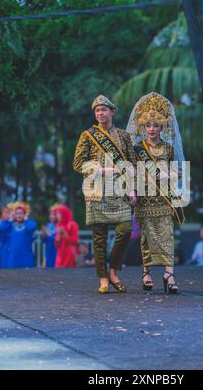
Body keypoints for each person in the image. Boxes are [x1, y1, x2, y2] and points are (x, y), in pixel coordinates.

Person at [73, 95, 137, 293]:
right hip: (97, 190)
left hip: (120, 190)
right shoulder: (88, 135)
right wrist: (100, 170)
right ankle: (103, 278)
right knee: (99, 238)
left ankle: (114, 271)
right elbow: (77, 164)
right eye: (97, 110)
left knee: (125, 229)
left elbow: (133, 165)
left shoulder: (124, 136)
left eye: (104, 110)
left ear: (112, 111)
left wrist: (133, 188)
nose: (100, 113)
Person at [126, 92, 186, 293]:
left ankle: (169, 274)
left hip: (164, 199)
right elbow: (131, 173)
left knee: (167, 235)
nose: (152, 129)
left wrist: (169, 176)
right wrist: (132, 191)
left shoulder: (168, 149)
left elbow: (178, 171)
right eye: (148, 125)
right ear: (143, 127)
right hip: (144, 200)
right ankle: (146, 272)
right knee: (146, 237)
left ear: (162, 127)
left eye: (156, 125)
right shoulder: (137, 149)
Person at [8, 202, 37, 268]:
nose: (19, 215)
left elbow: (30, 228)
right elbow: (3, 230)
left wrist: (26, 219)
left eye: (21, 213)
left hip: (26, 258)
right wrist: (10, 219)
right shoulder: (11, 225)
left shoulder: (30, 223)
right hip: (13, 259)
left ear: (25, 214)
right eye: (17, 213)